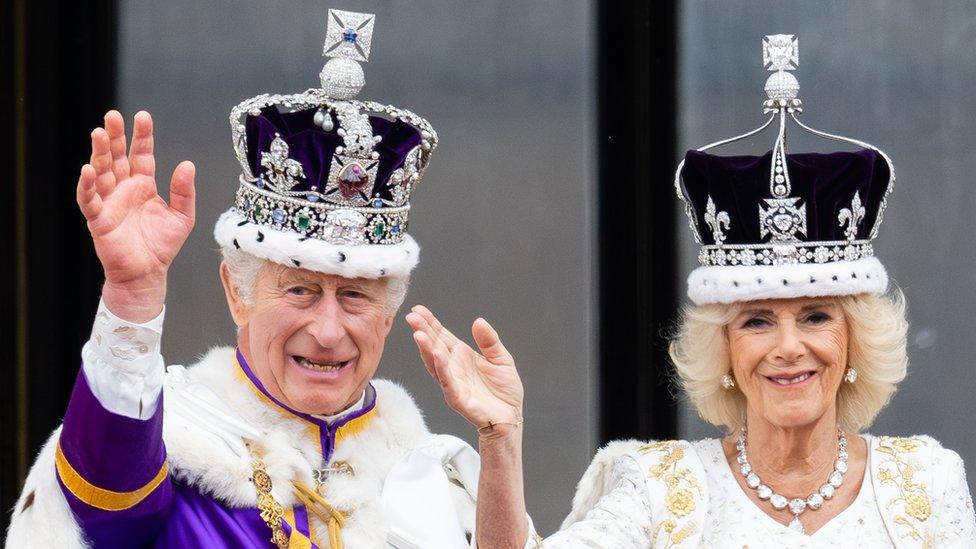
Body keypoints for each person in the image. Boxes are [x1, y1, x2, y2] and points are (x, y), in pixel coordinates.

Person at [406, 35, 976, 547]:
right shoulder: (658, 487)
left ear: (855, 339)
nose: (788, 346)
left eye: (816, 316)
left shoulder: (923, 484)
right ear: (723, 348)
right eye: (756, 320)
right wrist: (501, 437)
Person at [6, 9, 532, 548]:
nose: (327, 332)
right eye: (300, 290)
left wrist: (501, 443)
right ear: (238, 293)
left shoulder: (432, 477)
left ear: (390, 313)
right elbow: (104, 496)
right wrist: (132, 295)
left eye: (354, 296)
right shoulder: (171, 444)